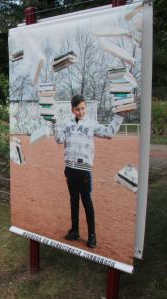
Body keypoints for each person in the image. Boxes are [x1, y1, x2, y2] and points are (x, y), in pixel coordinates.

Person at [52, 95, 124, 249]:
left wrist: (119, 115)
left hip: (83, 170)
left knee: (86, 201)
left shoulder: (91, 124)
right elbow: (59, 139)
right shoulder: (66, 124)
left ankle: (92, 235)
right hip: (69, 169)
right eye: (77, 109)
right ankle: (74, 231)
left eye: (83, 108)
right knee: (73, 200)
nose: (81, 111)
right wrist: (54, 124)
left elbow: (109, 133)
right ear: (72, 110)